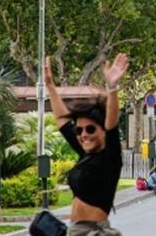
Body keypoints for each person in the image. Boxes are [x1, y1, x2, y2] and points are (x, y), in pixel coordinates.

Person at [46, 54, 128, 236]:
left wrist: (112, 88)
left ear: (103, 131)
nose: (84, 135)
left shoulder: (109, 158)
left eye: (90, 129)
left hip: (94, 231)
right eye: (79, 130)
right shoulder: (85, 155)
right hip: (76, 230)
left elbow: (112, 124)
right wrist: (50, 86)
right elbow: (62, 120)